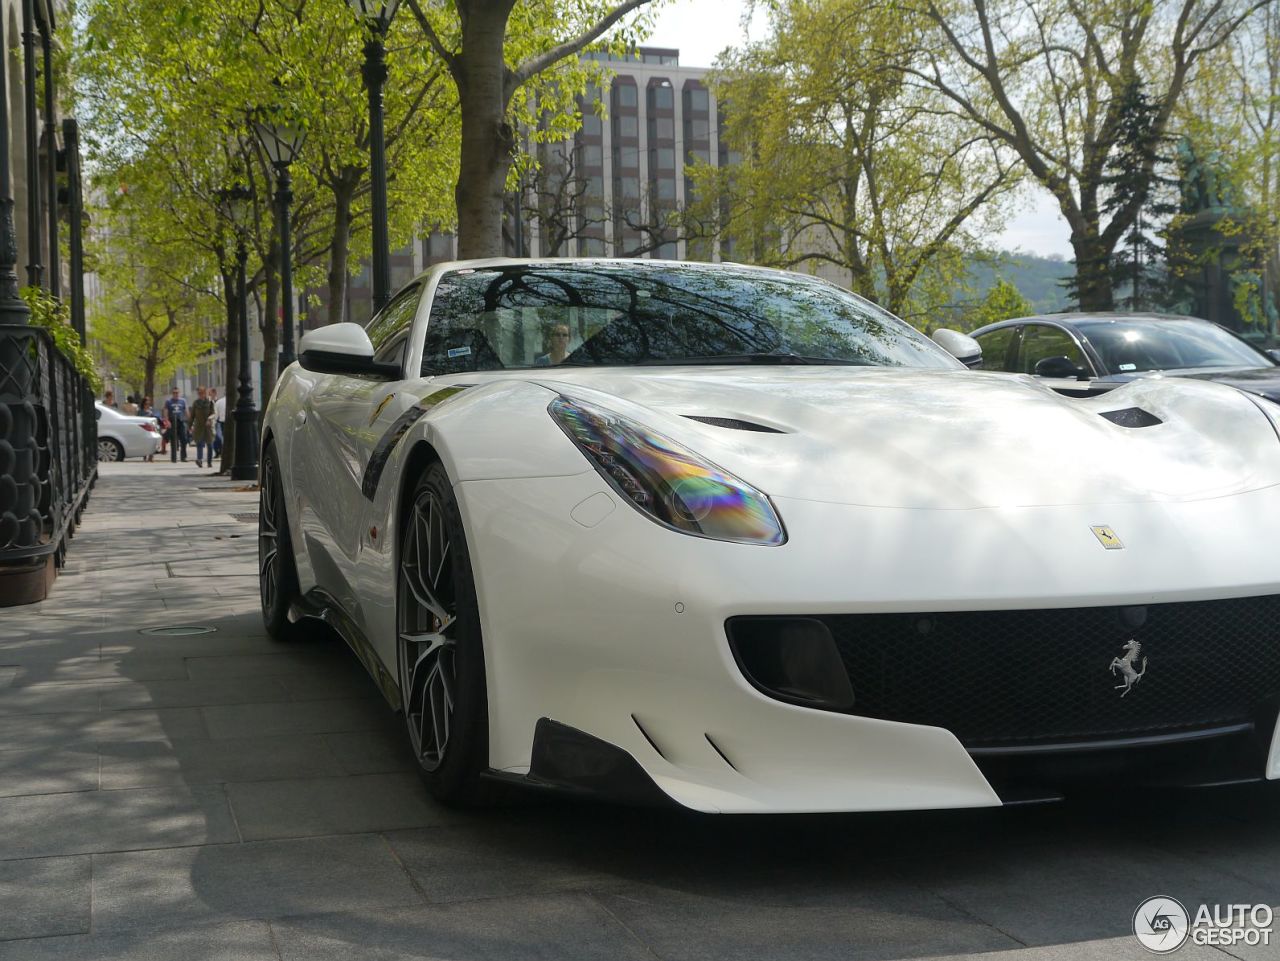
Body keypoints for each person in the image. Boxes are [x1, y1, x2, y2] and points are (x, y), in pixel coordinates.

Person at [190, 386, 216, 468]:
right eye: (199, 393)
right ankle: (199, 460)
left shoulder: (210, 402)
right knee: (199, 444)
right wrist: (189, 426)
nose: (200, 395)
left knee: (210, 444)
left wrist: (209, 419)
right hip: (199, 426)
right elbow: (192, 415)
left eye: (202, 393)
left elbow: (214, 413)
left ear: (205, 393)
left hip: (208, 426)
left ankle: (209, 461)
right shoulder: (196, 403)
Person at [163, 387, 188, 463]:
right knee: (173, 440)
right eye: (174, 393)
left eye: (177, 393)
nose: (175, 394)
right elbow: (166, 411)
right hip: (172, 422)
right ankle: (173, 458)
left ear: (179, 393)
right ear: (172, 393)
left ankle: (183, 457)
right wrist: (167, 421)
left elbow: (186, 411)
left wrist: (190, 421)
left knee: (184, 439)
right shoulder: (168, 401)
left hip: (180, 421)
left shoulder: (183, 401)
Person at [137, 396, 158, 462]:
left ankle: (151, 456)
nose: (147, 405)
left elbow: (154, 420)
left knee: (152, 443)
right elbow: (138, 420)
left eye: (148, 404)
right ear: (143, 404)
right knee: (144, 443)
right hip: (143, 429)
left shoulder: (151, 411)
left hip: (151, 429)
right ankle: (145, 456)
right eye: (146, 404)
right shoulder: (140, 411)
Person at [211, 388, 224, 458]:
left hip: (218, 421)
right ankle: (216, 452)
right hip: (212, 421)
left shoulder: (218, 401)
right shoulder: (209, 402)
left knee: (219, 437)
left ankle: (221, 451)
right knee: (213, 438)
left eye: (213, 393)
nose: (211, 395)